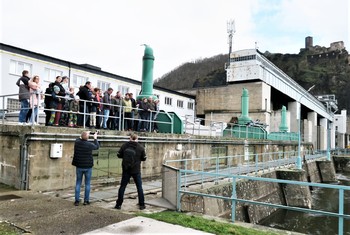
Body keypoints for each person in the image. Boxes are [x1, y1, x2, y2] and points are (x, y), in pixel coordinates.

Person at [115, 133, 147, 210]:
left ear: (130, 138)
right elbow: (144, 158)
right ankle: (142, 204)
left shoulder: (124, 145)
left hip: (126, 169)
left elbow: (119, 155)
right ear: (137, 139)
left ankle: (118, 204)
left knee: (122, 187)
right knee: (139, 187)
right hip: (136, 170)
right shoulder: (140, 147)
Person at [72, 131, 99, 206]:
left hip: (79, 166)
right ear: (87, 138)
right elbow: (97, 146)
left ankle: (77, 201)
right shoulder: (89, 144)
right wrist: (95, 138)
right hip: (88, 166)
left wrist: (85, 133)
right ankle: (86, 200)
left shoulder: (77, 142)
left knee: (78, 183)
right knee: (87, 184)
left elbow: (79, 138)